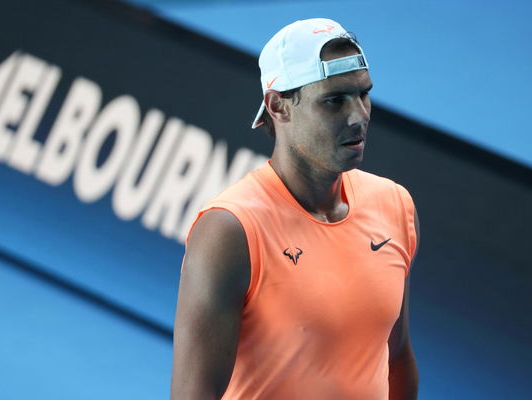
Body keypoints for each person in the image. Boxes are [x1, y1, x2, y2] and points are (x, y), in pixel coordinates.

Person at [171, 18, 419, 400]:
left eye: (363, 94)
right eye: (334, 101)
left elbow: (396, 355)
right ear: (278, 106)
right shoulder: (230, 231)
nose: (359, 116)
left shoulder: (395, 205)